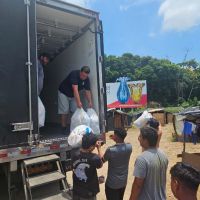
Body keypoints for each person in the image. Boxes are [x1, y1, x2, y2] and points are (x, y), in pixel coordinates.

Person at [129, 127, 168, 200]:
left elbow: (138, 185)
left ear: (145, 140)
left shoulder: (142, 159)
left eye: (140, 136)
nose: (138, 138)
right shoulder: (163, 155)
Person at [58, 66, 93, 132]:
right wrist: (79, 102)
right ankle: (63, 128)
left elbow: (87, 91)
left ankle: (75, 128)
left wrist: (90, 102)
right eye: (83, 75)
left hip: (73, 95)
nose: (84, 78)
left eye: (85, 76)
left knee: (75, 110)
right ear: (80, 72)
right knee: (65, 110)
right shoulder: (74, 74)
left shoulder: (86, 79)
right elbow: (75, 89)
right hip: (63, 92)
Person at [102, 128, 132, 200]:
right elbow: (121, 145)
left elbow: (102, 160)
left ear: (117, 136)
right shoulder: (129, 147)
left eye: (114, 135)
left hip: (112, 184)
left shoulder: (111, 150)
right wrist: (116, 139)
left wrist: (99, 148)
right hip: (123, 182)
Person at [72, 133, 103, 200]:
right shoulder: (94, 158)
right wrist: (99, 148)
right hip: (88, 193)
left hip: (76, 191)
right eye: (94, 145)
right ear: (91, 147)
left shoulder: (74, 154)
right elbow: (100, 164)